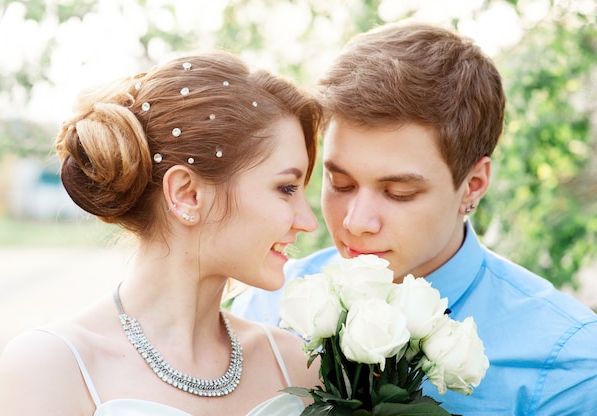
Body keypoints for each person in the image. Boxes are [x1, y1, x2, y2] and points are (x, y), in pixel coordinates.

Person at [232, 22, 597, 415]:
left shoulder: (566, 361)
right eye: (340, 183)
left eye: (397, 193)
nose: (356, 222)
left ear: (473, 185)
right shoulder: (267, 306)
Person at [0, 50, 323, 416]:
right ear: (187, 194)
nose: (308, 221)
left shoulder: (296, 366)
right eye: (287, 189)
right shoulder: (54, 367)